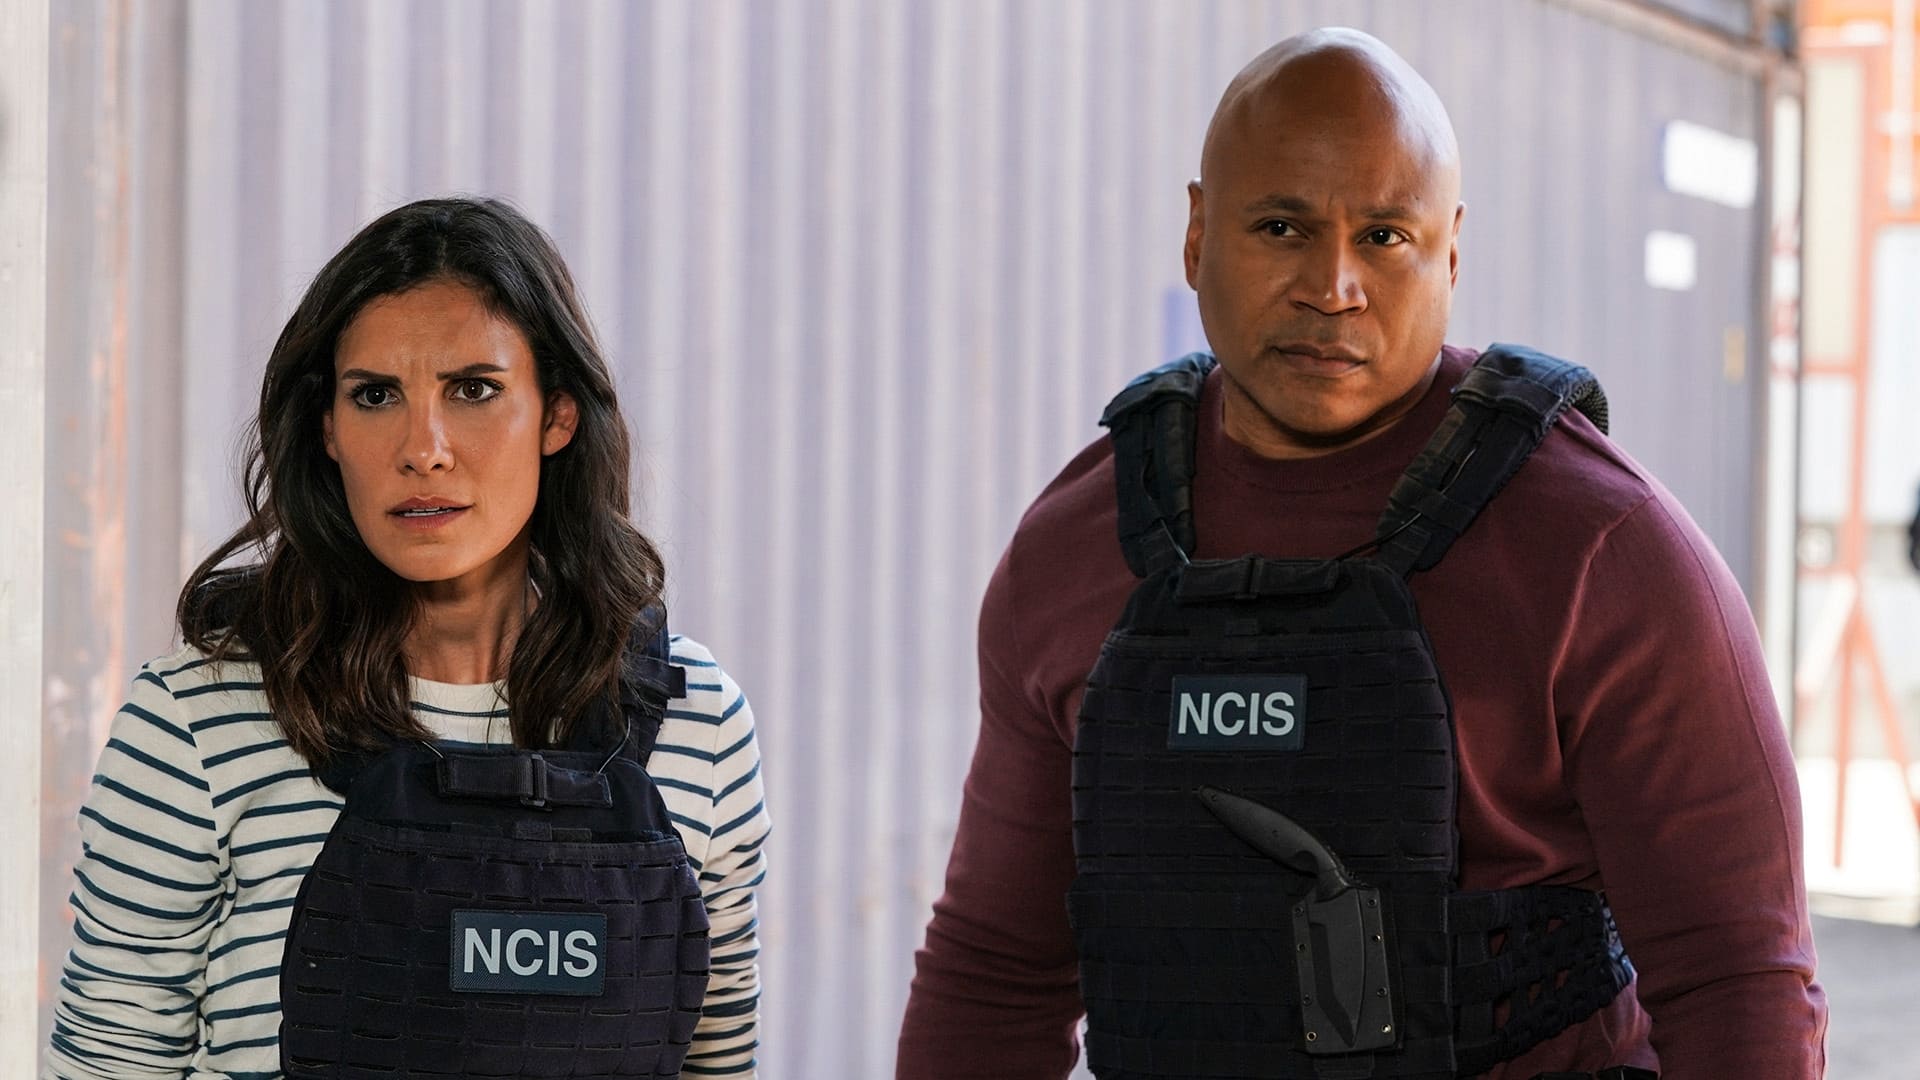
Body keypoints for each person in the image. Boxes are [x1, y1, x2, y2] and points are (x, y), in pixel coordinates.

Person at [898, 28, 1824, 1080]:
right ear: (1197, 234)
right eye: (1281, 226)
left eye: (1385, 236)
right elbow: (997, 970)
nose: (1332, 286)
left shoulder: (1601, 550)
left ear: (1451, 254)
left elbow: (1739, 980)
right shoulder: (1076, 549)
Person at [45, 197, 769, 1079]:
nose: (423, 450)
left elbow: (716, 1065)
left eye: (474, 390)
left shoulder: (699, 726)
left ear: (558, 415)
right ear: (327, 429)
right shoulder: (199, 720)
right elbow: (110, 1061)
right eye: (376, 395)